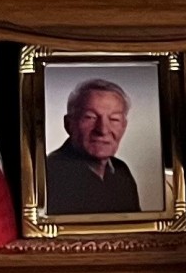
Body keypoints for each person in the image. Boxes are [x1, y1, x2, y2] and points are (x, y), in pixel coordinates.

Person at [44, 78, 142, 214]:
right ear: (68, 124)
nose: (102, 130)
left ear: (124, 126)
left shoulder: (122, 172)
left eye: (114, 119)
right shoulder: (48, 175)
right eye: (90, 117)